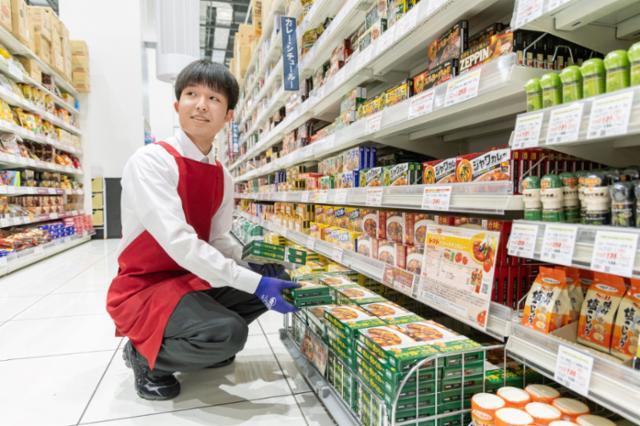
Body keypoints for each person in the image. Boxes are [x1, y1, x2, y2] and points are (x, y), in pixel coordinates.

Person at [106, 59, 299, 401]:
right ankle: (145, 357)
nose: (201, 104)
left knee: (273, 276)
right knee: (230, 333)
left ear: (228, 116)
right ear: (177, 105)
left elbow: (219, 239)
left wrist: (257, 268)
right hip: (146, 286)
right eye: (192, 94)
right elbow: (181, 244)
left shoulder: (222, 175)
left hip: (189, 279)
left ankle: (199, 338)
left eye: (214, 98)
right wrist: (254, 283)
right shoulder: (151, 162)